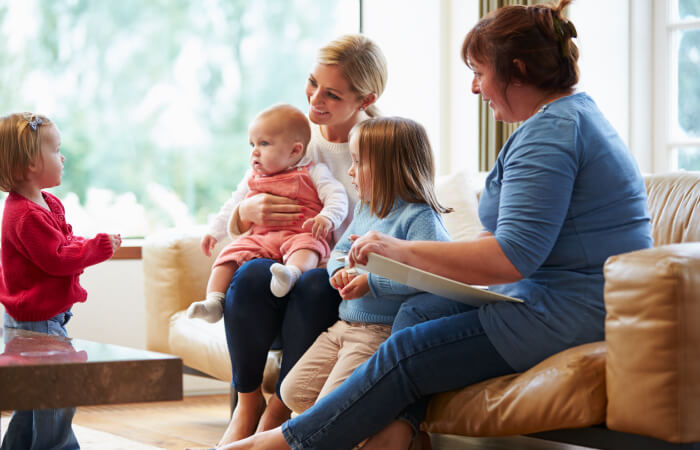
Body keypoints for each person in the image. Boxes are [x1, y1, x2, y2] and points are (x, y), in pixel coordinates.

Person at [214, 1, 654, 449]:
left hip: (567, 312)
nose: (474, 87)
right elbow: (503, 236)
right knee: (419, 312)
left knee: (407, 352)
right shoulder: (555, 122)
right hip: (541, 296)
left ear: (517, 70)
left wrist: (399, 253)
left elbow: (512, 257)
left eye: (480, 72)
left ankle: (282, 443)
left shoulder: (551, 135)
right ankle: (396, 436)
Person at [216, 34, 388, 445]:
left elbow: (392, 220)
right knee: (254, 274)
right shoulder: (294, 132)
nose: (315, 100)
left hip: (337, 273)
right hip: (279, 258)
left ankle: (279, 408)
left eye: (331, 93)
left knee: (314, 284)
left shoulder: (379, 143)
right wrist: (245, 214)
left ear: (366, 99)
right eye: (313, 83)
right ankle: (247, 403)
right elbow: (239, 203)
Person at [280, 117, 452, 415]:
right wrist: (338, 273)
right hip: (344, 325)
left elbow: (430, 278)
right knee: (292, 393)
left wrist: (371, 282)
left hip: (378, 333)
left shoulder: (420, 218)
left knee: (328, 408)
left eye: (358, 162)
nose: (350, 171)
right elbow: (338, 253)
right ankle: (365, 425)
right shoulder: (366, 209)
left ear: (390, 168)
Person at [0, 112, 122, 450]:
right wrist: (96, 247)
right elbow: (56, 258)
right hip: (36, 322)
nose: (63, 157)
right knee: (57, 392)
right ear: (28, 164)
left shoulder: (47, 203)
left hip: (41, 318)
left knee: (34, 395)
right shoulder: (24, 214)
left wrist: (83, 245)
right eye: (55, 150)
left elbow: (63, 242)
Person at [187, 104, 348, 323]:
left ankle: (291, 274)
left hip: (299, 233)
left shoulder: (313, 171)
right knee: (230, 255)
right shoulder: (252, 176)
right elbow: (233, 203)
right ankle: (214, 301)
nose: (254, 151)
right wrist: (214, 232)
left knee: (310, 247)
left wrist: (328, 217)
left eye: (264, 144)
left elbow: (337, 196)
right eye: (252, 144)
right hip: (261, 239)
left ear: (295, 151)